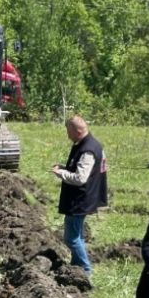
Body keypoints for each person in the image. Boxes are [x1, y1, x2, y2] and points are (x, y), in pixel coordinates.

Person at [51, 116, 108, 275]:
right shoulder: (89, 144)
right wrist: (65, 166)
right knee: (77, 236)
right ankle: (77, 266)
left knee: (71, 238)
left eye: (68, 131)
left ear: (78, 131)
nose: (67, 134)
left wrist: (61, 173)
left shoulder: (88, 149)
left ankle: (86, 270)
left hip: (80, 200)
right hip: (83, 198)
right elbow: (84, 169)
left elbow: (80, 178)